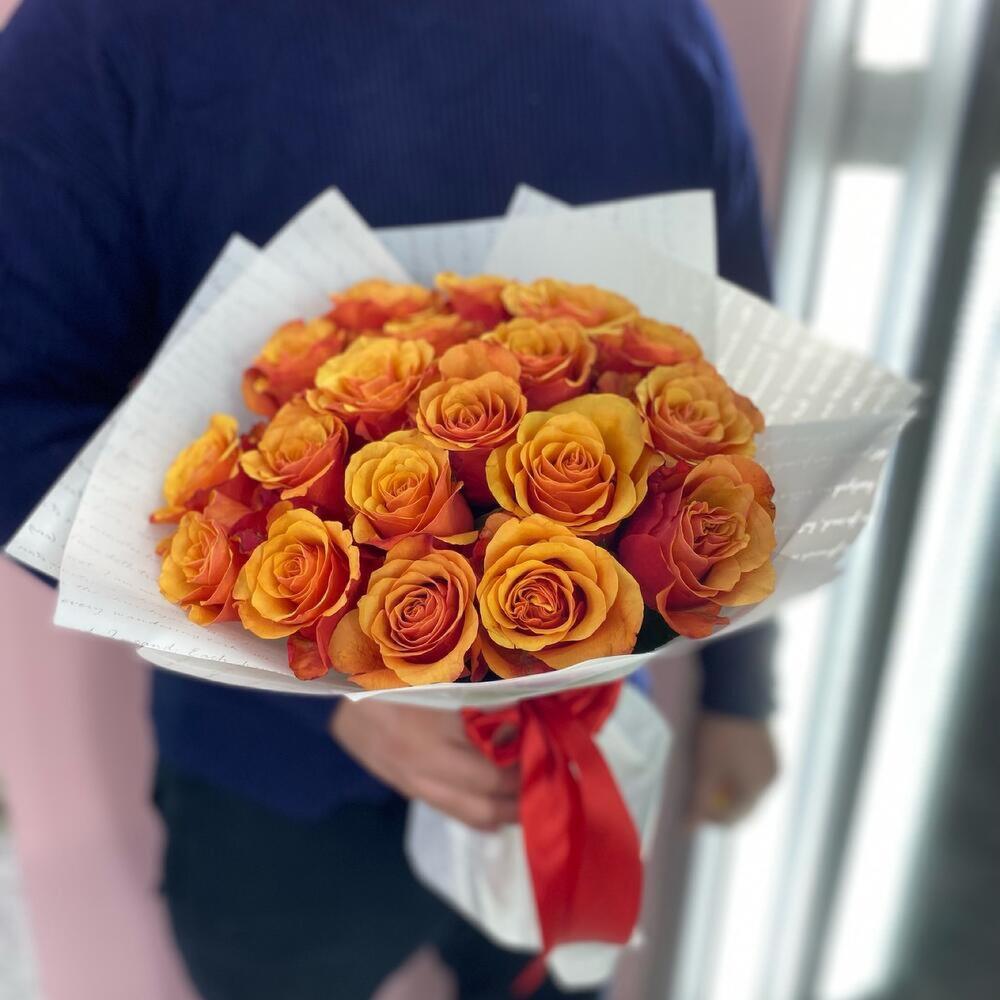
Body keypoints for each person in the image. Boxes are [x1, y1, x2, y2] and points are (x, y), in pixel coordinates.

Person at [0, 1, 779, 997]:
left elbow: (734, 372)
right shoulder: (98, 35)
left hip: (583, 732)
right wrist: (317, 685)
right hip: (273, 783)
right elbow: (16, 411)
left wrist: (740, 686)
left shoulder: (662, 24)